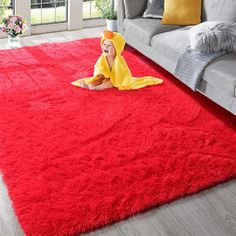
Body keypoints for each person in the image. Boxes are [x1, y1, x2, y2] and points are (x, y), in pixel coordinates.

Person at [71, 30, 163, 90]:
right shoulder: (103, 57)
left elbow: (123, 72)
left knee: (109, 83)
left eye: (109, 45)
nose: (105, 47)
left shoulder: (119, 60)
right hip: (105, 76)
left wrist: (117, 79)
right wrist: (100, 74)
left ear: (117, 48)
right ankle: (91, 85)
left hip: (115, 79)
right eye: (104, 45)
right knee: (99, 80)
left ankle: (97, 88)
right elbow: (99, 66)